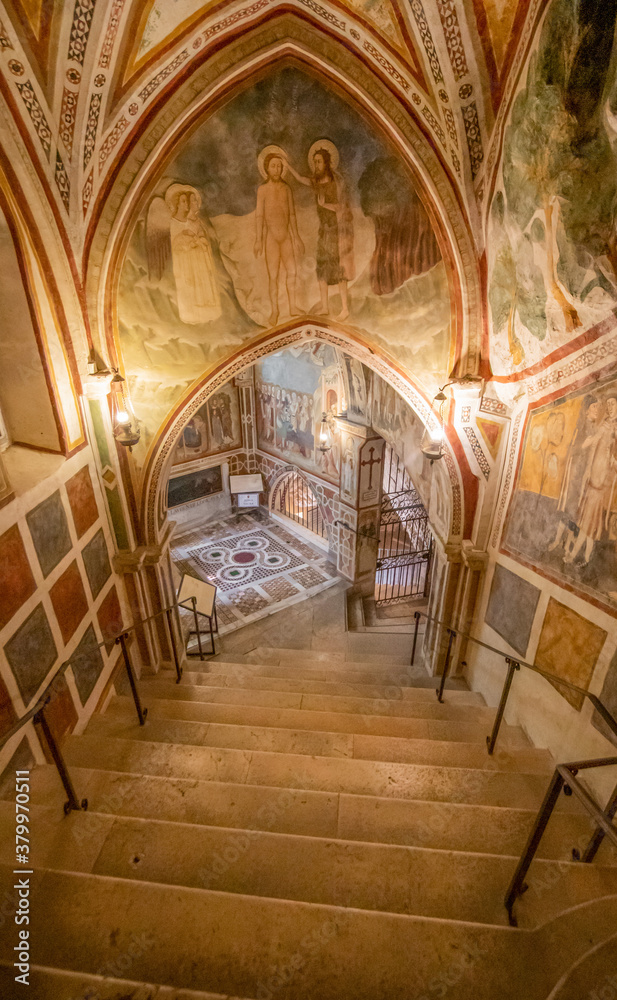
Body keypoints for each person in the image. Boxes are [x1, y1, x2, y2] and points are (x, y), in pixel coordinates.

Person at [287, 145, 355, 320]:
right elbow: (303, 179)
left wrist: (326, 205)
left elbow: (343, 207)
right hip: (324, 231)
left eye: (318, 162)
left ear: (326, 163)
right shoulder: (317, 183)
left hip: (337, 232)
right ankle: (325, 306)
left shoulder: (337, 184)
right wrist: (289, 168)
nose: (315, 165)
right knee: (322, 268)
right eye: (314, 162)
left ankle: (345, 309)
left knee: (340, 270)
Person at [254, 153, 304, 326]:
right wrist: (258, 239)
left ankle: (293, 307)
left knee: (292, 272)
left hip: (286, 238)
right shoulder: (263, 190)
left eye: (279, 166)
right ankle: (275, 310)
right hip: (271, 239)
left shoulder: (286, 189)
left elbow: (291, 214)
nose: (277, 169)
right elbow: (259, 216)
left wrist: (296, 237)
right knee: (273, 277)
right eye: (273, 166)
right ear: (267, 168)